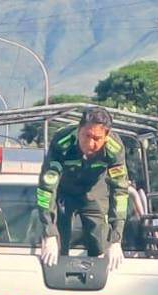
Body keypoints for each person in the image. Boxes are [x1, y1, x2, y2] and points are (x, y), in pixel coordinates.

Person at [36, 106, 131, 270]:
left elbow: (120, 192)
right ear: (79, 130)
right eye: (86, 135)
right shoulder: (62, 142)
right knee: (58, 245)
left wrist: (116, 239)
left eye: (96, 138)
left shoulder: (114, 149)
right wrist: (48, 232)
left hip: (94, 193)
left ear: (106, 137)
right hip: (64, 193)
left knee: (101, 242)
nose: (90, 143)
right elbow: (46, 189)